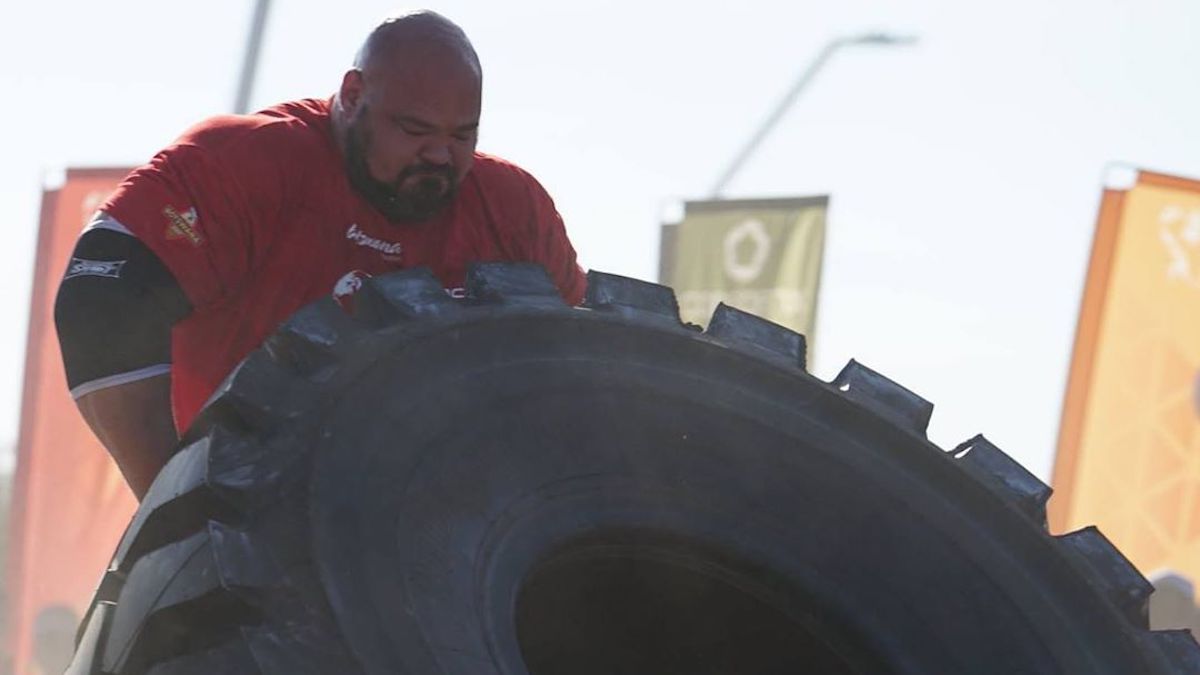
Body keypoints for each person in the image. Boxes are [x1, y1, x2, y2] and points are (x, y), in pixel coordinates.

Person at [54, 11, 586, 500]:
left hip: (441, 520)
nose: (440, 155)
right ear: (353, 95)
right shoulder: (245, 164)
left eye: (462, 135)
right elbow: (101, 300)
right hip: (248, 511)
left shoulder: (513, 210)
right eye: (415, 130)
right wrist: (170, 506)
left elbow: (588, 362)